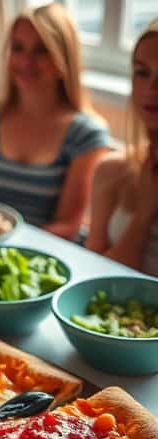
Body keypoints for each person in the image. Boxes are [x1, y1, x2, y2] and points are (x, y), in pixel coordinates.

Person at [0, 3, 111, 239]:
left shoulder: (87, 134)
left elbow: (68, 226)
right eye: (18, 48)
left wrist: (5, 246)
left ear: (63, 60)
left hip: (44, 258)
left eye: (41, 51)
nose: (26, 62)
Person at [87, 20, 158, 274]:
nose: (152, 87)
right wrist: (143, 214)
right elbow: (95, 277)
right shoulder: (111, 171)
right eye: (142, 72)